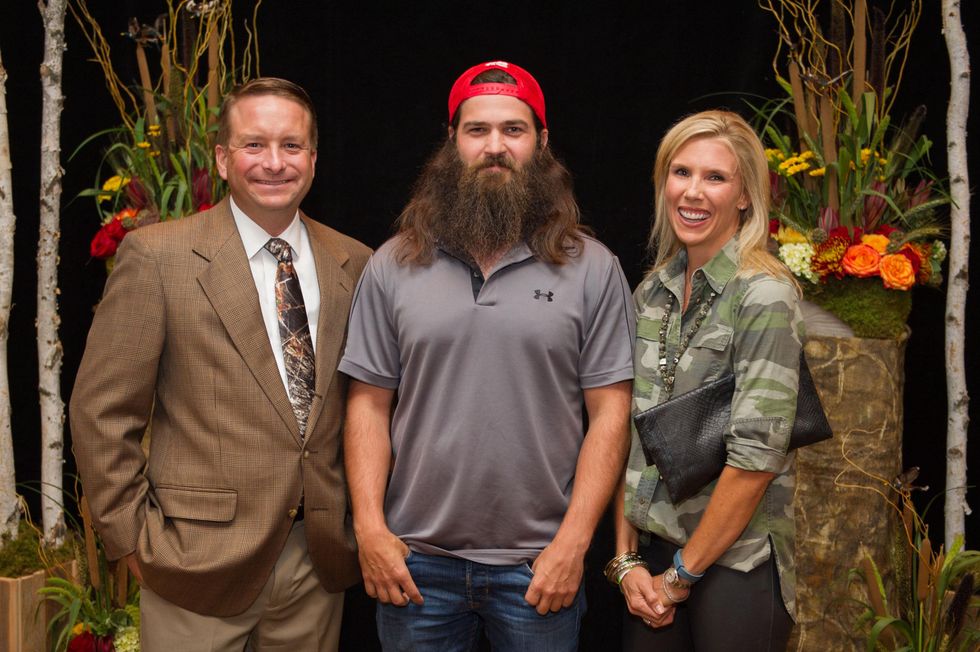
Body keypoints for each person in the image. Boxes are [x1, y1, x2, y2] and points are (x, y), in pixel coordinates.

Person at [338, 60, 635, 651]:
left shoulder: (592, 268)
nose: (494, 146)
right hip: (415, 569)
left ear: (541, 143)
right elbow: (368, 405)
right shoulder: (394, 264)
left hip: (538, 570)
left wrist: (574, 543)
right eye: (477, 130)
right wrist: (370, 530)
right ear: (452, 143)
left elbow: (611, 414)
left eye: (513, 130)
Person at [70, 77, 371, 652]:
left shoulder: (355, 261)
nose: (274, 162)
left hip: (318, 563)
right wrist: (132, 542)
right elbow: (101, 411)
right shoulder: (158, 256)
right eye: (254, 145)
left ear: (313, 157)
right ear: (223, 159)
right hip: (193, 562)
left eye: (291, 145)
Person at [611, 110, 802, 651]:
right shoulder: (651, 292)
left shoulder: (763, 295)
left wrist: (678, 579)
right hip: (652, 560)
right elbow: (630, 438)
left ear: (745, 196)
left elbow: (756, 459)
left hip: (735, 564)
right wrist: (626, 563)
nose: (692, 192)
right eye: (681, 172)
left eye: (715, 178)